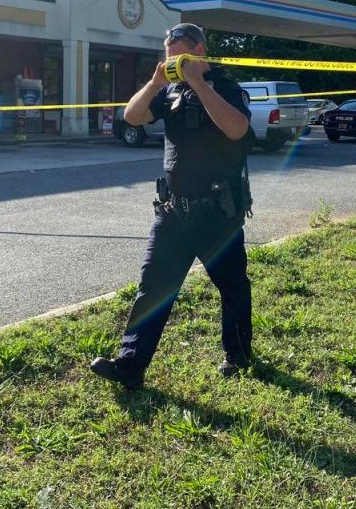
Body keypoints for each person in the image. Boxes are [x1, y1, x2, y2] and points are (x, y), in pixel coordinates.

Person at [90, 23, 253, 390]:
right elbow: (131, 117)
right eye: (168, 59)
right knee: (153, 288)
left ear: (198, 51)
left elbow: (237, 129)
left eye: (178, 56)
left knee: (232, 287)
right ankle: (130, 366)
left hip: (217, 212)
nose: (173, 65)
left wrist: (198, 83)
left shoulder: (226, 87)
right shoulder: (170, 92)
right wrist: (154, 84)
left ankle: (239, 356)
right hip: (173, 210)